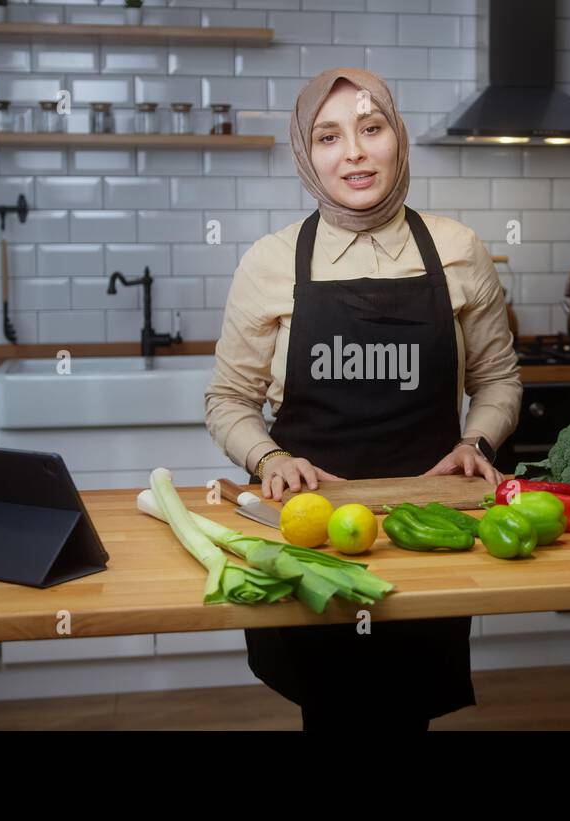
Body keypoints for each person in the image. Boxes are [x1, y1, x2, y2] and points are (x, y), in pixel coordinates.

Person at [203, 67, 522, 731]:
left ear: (397, 137)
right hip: (310, 530)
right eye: (328, 136)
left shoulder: (458, 249)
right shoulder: (270, 261)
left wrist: (477, 441)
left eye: (371, 128)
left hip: (429, 527)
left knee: (407, 708)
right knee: (331, 706)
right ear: (306, 152)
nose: (353, 152)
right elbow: (228, 399)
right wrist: (268, 458)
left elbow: (498, 379)